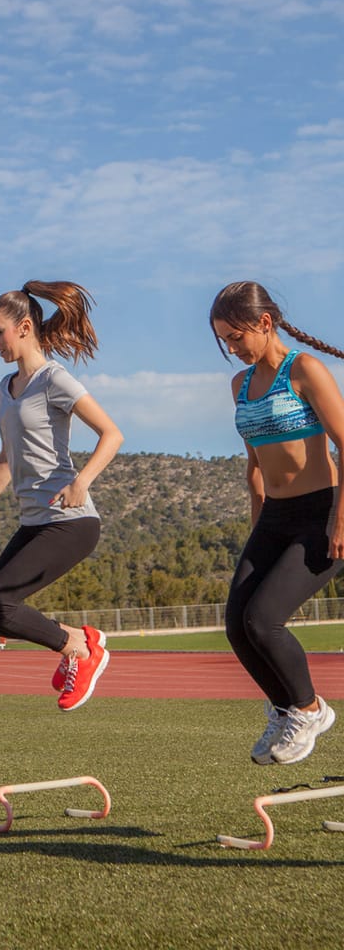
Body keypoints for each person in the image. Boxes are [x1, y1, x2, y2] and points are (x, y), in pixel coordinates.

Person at [0, 281, 123, 711]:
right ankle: (79, 641)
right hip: (33, 522)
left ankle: (81, 651)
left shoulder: (54, 379)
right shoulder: (5, 389)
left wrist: (82, 480)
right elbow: (7, 459)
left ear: (24, 327)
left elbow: (112, 434)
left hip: (71, 521)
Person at [210, 281, 344, 765]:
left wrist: (340, 519)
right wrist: (256, 530)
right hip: (274, 518)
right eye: (224, 339)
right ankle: (286, 708)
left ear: (265, 324)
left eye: (236, 336)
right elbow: (255, 466)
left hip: (322, 511)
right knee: (236, 625)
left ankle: (309, 708)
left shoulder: (304, 369)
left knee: (263, 621)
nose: (231, 347)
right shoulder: (240, 385)